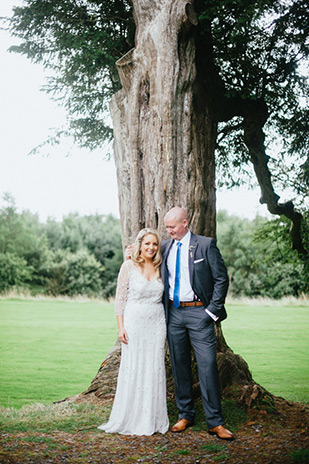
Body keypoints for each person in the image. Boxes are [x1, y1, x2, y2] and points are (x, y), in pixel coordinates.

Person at [161, 206, 234, 440]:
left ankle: (215, 422)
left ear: (185, 222)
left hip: (199, 314)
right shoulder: (164, 247)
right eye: (167, 227)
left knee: (208, 365)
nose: (169, 231)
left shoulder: (205, 244)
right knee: (179, 365)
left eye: (172, 226)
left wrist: (211, 312)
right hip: (174, 314)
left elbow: (221, 278)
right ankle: (185, 415)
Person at [98, 228, 169, 436]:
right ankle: (130, 416)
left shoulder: (160, 267)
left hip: (157, 322)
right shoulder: (128, 266)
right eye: (147, 244)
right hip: (134, 322)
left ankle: (152, 418)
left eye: (155, 244)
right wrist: (120, 327)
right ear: (140, 245)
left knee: (154, 367)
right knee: (134, 367)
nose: (151, 247)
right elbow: (120, 299)